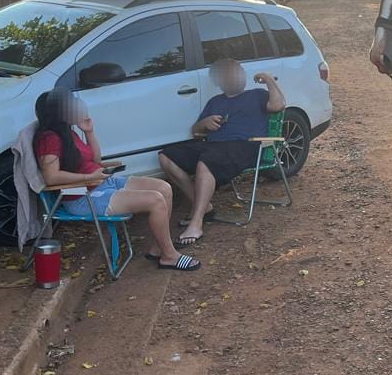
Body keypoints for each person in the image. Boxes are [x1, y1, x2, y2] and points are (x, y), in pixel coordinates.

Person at [33, 90, 200, 271]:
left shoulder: (68, 132)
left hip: (101, 183)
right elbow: (51, 176)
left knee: (164, 187)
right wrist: (89, 177)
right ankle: (169, 256)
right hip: (83, 197)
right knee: (156, 200)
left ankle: (159, 248)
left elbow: (95, 160)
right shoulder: (49, 138)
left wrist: (89, 132)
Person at [158, 58, 286, 244]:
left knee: (207, 161)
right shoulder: (215, 102)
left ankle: (196, 222)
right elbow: (196, 132)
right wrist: (204, 123)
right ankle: (205, 206)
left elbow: (278, 105)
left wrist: (268, 79)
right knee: (166, 156)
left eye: (238, 70)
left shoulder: (257, 94)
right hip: (214, 145)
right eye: (231, 72)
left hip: (245, 145)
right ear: (219, 81)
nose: (237, 75)